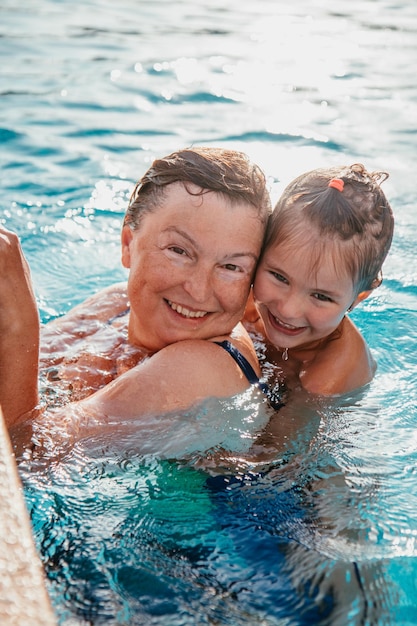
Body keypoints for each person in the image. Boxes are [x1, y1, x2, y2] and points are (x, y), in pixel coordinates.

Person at [1, 146, 273, 444]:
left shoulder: (204, 365)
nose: (198, 289)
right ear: (128, 243)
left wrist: (18, 327)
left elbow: (30, 454)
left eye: (232, 266)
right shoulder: (117, 304)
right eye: (178, 251)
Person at [245, 162, 394, 397]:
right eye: (279, 277)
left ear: (359, 297)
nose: (289, 309)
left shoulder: (328, 377)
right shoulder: (241, 295)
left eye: (321, 296)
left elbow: (282, 435)